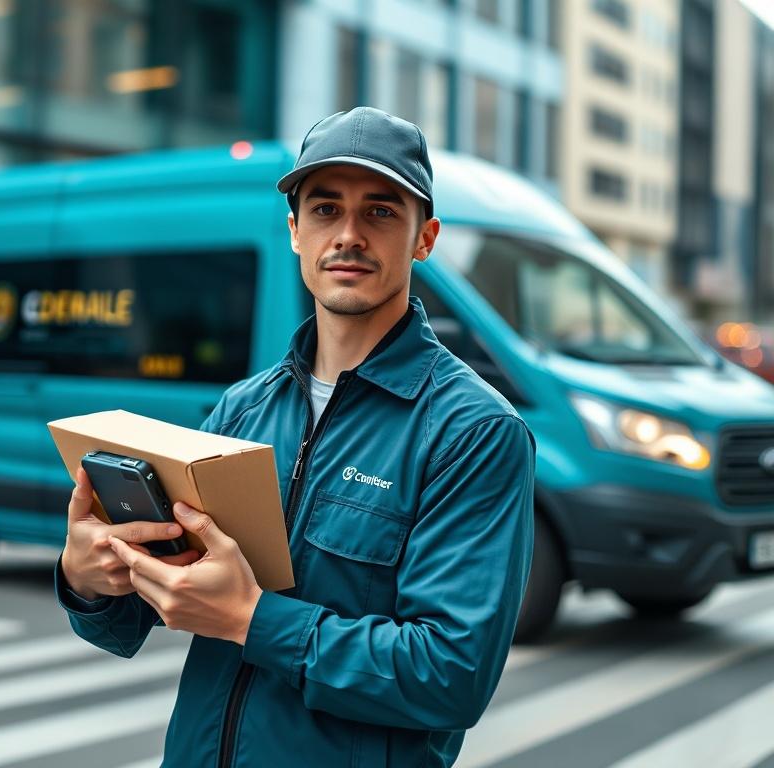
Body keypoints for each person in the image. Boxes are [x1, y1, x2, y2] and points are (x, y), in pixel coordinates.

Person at [56, 107, 535, 767]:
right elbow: (133, 617)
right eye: (325, 209)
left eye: (381, 212)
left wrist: (251, 619)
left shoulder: (474, 432)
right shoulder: (241, 408)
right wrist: (89, 577)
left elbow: (451, 675)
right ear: (294, 231)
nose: (348, 234)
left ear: (425, 239)